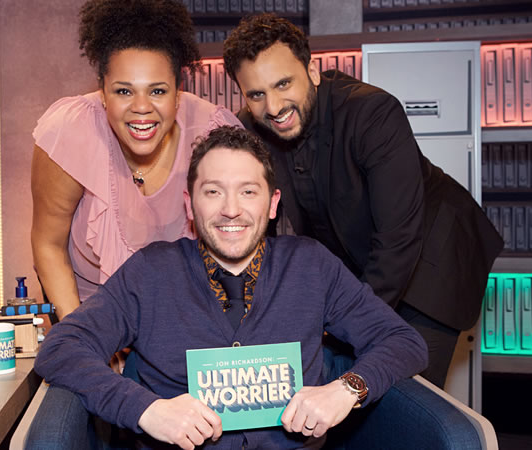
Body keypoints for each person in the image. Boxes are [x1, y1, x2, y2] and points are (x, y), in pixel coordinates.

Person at [34, 126, 428, 449]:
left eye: (248, 191)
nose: (231, 209)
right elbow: (60, 349)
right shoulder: (150, 272)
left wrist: (346, 389)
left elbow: (402, 341)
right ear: (190, 206)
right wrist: (145, 409)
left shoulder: (311, 265)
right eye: (213, 191)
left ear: (272, 204)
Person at [223, 14, 504, 388]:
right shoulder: (253, 128)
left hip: (432, 258)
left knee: (405, 394)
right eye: (256, 94)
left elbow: (398, 238)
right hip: (362, 262)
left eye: (284, 83)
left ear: (313, 70)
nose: (273, 106)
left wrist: (344, 322)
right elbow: (262, 231)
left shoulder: (372, 113)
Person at [30, 0, 240, 321]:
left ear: (177, 93)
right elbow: (49, 246)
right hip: (91, 313)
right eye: (124, 92)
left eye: (157, 91)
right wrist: (84, 340)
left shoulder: (213, 136)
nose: (141, 108)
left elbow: (237, 252)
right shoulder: (71, 133)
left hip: (188, 319)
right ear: (102, 92)